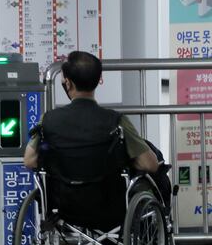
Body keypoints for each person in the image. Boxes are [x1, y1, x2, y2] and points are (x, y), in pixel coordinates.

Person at [24, 51, 158, 174]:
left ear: (68, 84)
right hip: (108, 193)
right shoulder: (117, 121)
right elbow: (150, 164)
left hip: (61, 192)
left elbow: (29, 160)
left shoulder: (48, 120)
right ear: (98, 80)